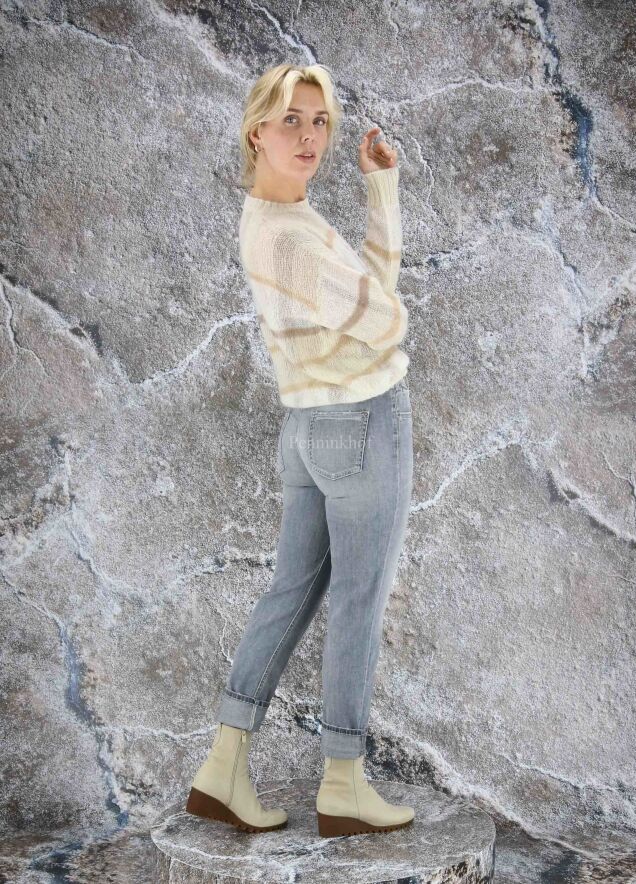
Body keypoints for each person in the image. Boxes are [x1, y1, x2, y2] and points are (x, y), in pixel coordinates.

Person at [186, 63, 414, 838]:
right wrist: (378, 306)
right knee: (357, 600)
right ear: (257, 131)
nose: (310, 135)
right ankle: (343, 781)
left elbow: (373, 295)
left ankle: (222, 766)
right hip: (361, 421)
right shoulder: (289, 237)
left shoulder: (276, 216)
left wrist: (379, 190)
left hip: (308, 429)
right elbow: (387, 321)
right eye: (291, 119)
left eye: (319, 121)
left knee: (290, 592)